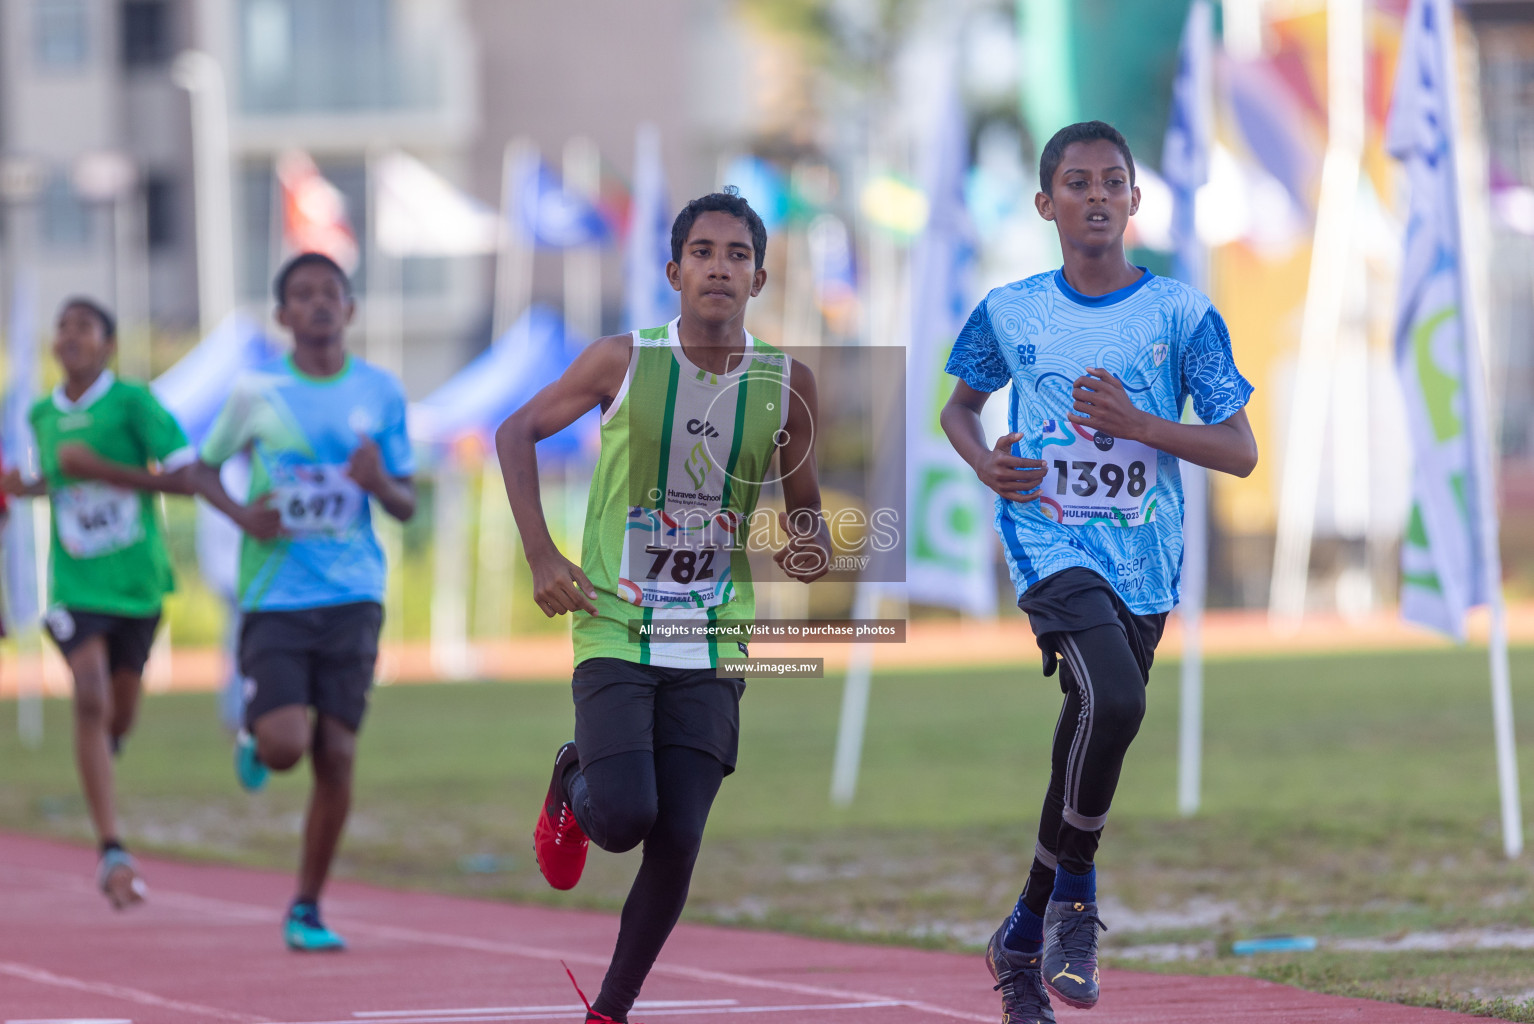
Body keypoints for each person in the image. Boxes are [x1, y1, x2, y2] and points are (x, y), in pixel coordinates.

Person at [941, 121, 1258, 1023]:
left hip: (1145, 563)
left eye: (1111, 181)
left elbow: (1239, 451)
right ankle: (1075, 897)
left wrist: (1142, 424)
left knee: (1096, 717)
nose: (1094, 196)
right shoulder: (1009, 310)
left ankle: (1023, 932)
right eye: (1075, 183)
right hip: (1049, 544)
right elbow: (959, 409)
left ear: (1134, 200)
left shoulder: (1182, 315)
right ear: (1045, 204)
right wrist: (983, 461)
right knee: (1113, 702)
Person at [496, 189, 831, 1024]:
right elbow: (515, 432)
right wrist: (543, 554)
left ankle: (610, 1008)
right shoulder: (622, 361)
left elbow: (806, 517)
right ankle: (573, 777)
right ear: (674, 269)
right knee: (623, 819)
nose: (721, 266)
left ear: (759, 277)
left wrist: (809, 547)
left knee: (678, 836)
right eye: (705, 252)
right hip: (614, 622)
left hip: (713, 639)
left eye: (739, 255)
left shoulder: (788, 385)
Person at [189, 252, 416, 952]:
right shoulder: (256, 393)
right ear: (283, 316)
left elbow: (405, 504)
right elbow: (199, 467)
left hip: (354, 593)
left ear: (349, 310)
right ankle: (259, 737)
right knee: (290, 747)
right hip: (275, 595)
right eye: (302, 295)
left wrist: (378, 480)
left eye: (331, 293)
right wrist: (240, 514)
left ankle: (307, 907)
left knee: (338, 754)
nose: (318, 304)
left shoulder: (381, 391)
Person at [0, 297, 196, 910]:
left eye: (83, 326)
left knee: (119, 713)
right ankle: (112, 846)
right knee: (89, 693)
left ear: (107, 343)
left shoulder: (134, 404)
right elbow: (60, 481)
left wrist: (109, 470)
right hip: (75, 586)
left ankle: (104, 755)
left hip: (137, 586)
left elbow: (186, 478)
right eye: (61, 326)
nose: (68, 335)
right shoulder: (40, 414)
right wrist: (26, 488)